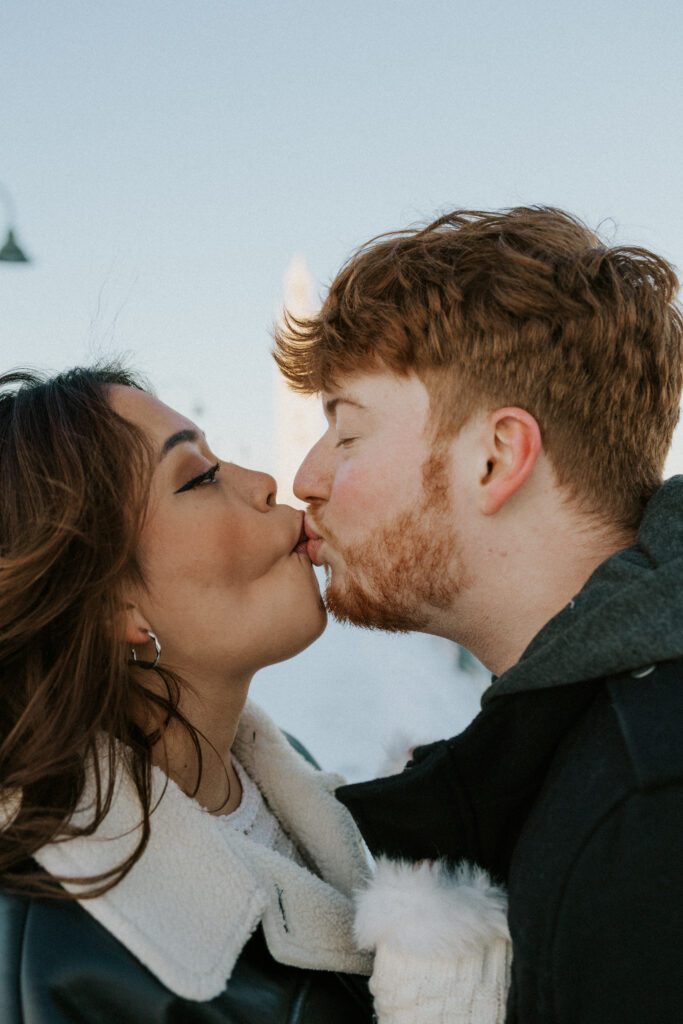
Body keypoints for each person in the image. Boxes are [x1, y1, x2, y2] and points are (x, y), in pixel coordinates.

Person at [275, 206, 683, 1023]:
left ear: (495, 458)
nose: (305, 480)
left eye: (346, 435)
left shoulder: (646, 811)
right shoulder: (600, 758)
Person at [0, 365, 380, 1023]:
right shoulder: (54, 959)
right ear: (110, 605)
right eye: (200, 477)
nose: (266, 483)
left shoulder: (289, 775)